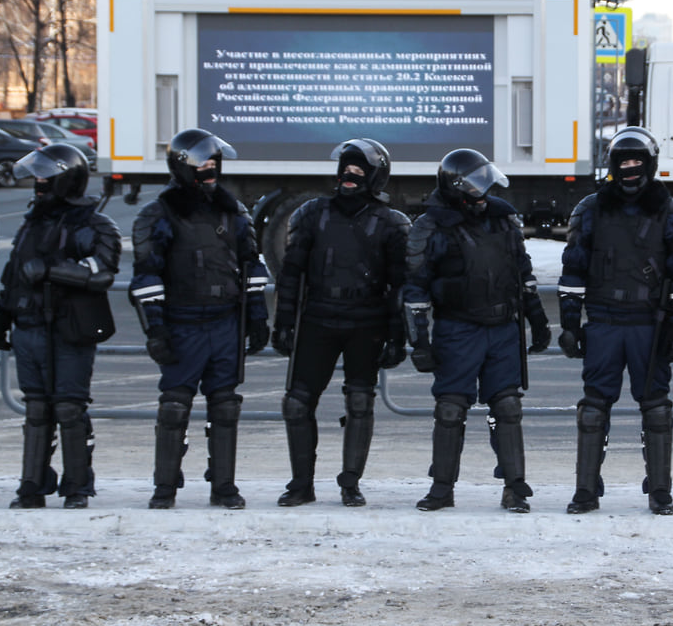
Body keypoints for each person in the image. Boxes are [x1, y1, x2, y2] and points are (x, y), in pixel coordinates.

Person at [557, 127, 673, 516]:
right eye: (624, 162)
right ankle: (586, 491)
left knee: (656, 408)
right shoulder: (589, 209)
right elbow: (573, 272)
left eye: (638, 162)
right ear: (613, 165)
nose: (631, 169)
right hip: (603, 322)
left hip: (649, 326)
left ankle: (659, 491)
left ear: (650, 164)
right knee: (592, 408)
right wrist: (570, 324)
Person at [129, 129, 270, 509]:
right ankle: (164, 488)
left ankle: (223, 486)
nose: (210, 171)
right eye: (202, 165)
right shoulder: (157, 214)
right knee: (174, 406)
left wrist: (257, 318)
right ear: (182, 166)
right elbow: (146, 276)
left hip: (226, 321)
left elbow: (252, 267)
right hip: (182, 322)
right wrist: (155, 328)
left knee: (225, 406)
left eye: (214, 164)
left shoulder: (233, 210)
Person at [404, 148, 550, 513]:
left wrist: (537, 319)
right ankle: (441, 488)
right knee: (451, 409)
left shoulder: (502, 219)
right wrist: (419, 341)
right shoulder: (431, 226)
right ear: (455, 187)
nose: (482, 195)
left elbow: (523, 274)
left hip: (503, 328)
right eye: (474, 187)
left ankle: (515, 486)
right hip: (458, 328)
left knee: (508, 406)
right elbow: (415, 288)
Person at [271, 139, 410, 507]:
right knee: (297, 404)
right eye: (345, 170)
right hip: (317, 319)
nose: (349, 177)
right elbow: (291, 274)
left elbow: (400, 286)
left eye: (359, 171)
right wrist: (283, 321)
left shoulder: (392, 223)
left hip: (367, 323)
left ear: (376, 177)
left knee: (361, 402)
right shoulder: (312, 214)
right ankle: (301, 483)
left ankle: (350, 483)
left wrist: (398, 336)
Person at [0, 144, 121, 509]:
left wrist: (54, 271)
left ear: (66, 179)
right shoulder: (32, 222)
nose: (39, 183)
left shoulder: (95, 223)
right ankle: (31, 486)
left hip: (70, 329)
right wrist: (2, 314)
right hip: (29, 326)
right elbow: (14, 274)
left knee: (69, 407)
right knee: (37, 409)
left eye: (46, 177)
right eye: (37, 177)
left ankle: (77, 487)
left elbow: (103, 272)